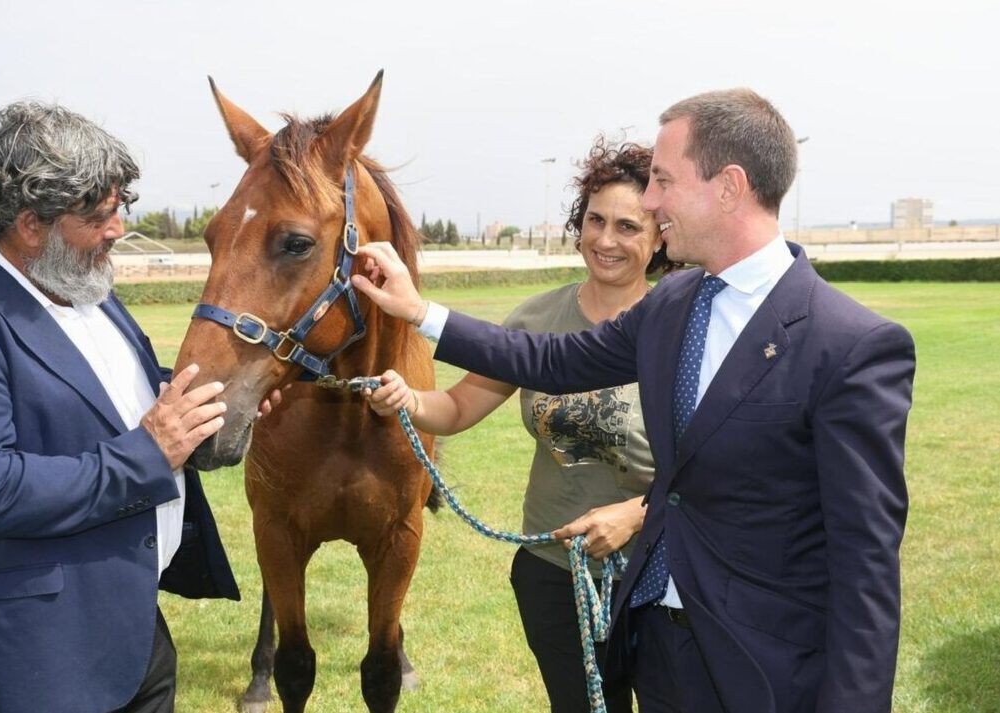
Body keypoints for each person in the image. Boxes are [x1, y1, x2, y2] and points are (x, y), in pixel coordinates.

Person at [351, 88, 915, 713]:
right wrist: (419, 312)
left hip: (764, 667)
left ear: (728, 187)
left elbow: (865, 566)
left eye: (662, 183)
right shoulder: (673, 306)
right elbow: (550, 360)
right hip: (654, 644)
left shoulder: (852, 345)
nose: (649, 201)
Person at [0, 101, 277, 713]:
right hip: (38, 661)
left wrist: (217, 399)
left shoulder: (83, 284)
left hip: (130, 634)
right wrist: (148, 454)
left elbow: (113, 395)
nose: (117, 230)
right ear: (30, 225)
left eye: (120, 209)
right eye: (98, 216)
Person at [363, 138, 676, 712]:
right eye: (595, 220)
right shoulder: (536, 318)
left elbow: (716, 465)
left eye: (629, 227)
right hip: (554, 573)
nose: (606, 240)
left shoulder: (679, 330)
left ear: (660, 237)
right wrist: (409, 400)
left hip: (657, 577)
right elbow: (457, 409)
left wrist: (636, 515)